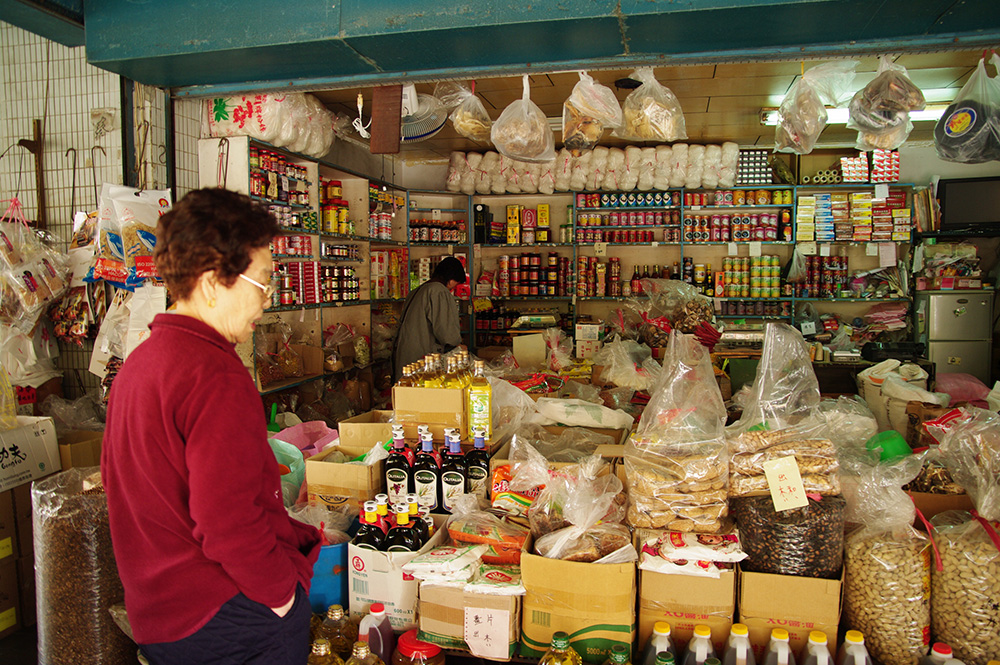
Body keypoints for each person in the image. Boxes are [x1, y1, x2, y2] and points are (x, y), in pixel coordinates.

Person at [101, 188, 320, 665]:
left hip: (160, 618)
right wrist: (281, 598)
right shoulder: (215, 373)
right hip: (227, 618)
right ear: (210, 282)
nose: (267, 301)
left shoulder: (139, 364)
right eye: (262, 281)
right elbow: (228, 522)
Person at [392, 256, 466, 381]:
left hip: (404, 356)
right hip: (421, 358)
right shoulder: (438, 291)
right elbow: (447, 333)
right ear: (451, 277)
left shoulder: (418, 290)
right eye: (456, 282)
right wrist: (458, 345)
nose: (454, 286)